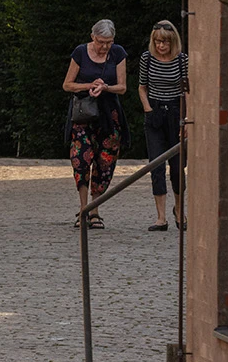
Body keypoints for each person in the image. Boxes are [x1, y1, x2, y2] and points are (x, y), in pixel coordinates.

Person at [63, 18, 127, 227]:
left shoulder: (118, 53)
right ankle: (83, 209)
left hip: (109, 115)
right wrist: (90, 85)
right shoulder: (80, 52)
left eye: (109, 42)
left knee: (104, 162)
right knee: (81, 160)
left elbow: (123, 87)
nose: (105, 47)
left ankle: (95, 210)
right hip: (84, 114)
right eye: (101, 42)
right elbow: (67, 84)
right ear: (93, 37)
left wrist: (106, 87)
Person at [139, 20, 188, 231]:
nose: (161, 46)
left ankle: (179, 210)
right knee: (156, 165)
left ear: (172, 42)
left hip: (176, 111)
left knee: (177, 167)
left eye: (165, 42)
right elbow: (142, 87)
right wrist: (148, 109)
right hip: (155, 112)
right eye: (158, 42)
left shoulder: (181, 60)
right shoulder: (147, 58)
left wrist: (185, 119)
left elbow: (187, 91)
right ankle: (161, 217)